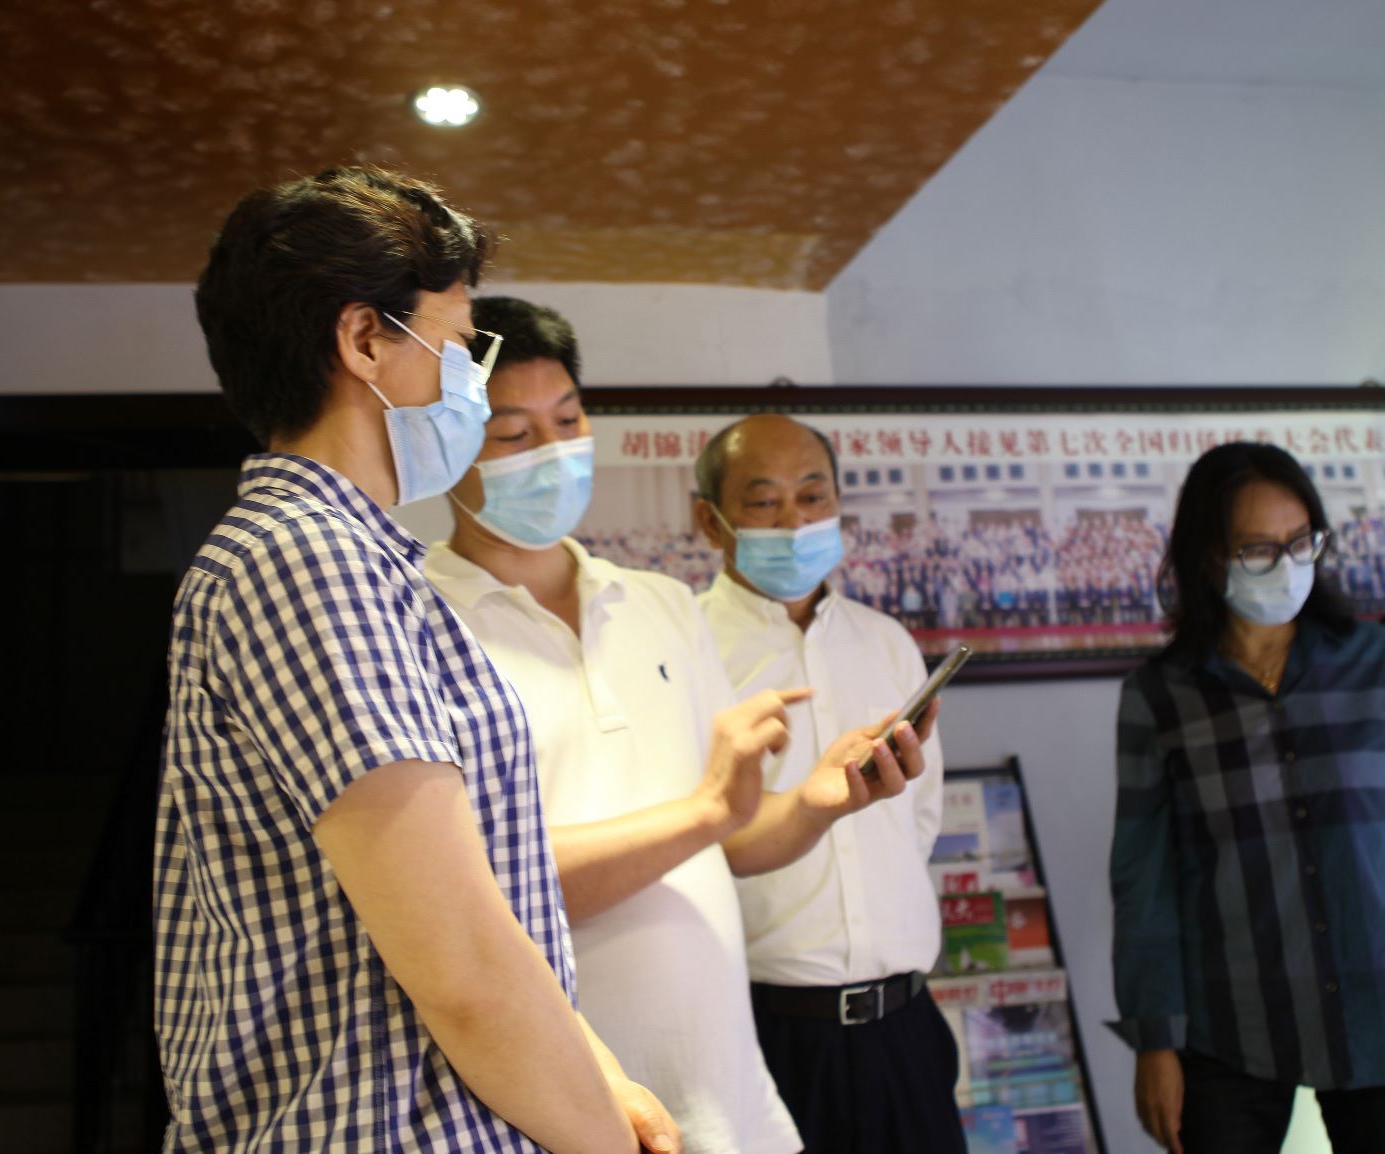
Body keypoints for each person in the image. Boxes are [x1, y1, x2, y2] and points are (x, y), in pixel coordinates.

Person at [155, 168, 678, 1154]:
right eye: (461, 343)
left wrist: (596, 1072)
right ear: (364, 340)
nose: (470, 380)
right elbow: (462, 966)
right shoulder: (310, 559)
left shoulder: (364, 560)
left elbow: (483, 903)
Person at [426, 300, 934, 1154]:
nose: (553, 453)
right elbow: (467, 894)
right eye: (513, 434)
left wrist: (815, 804)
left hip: (729, 1095)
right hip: (565, 1106)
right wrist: (708, 813)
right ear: (444, 443)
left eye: (568, 422)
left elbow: (729, 839)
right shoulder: (418, 622)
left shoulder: (660, 607)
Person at [693, 414, 964, 1154]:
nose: (795, 522)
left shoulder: (886, 642)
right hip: (766, 1033)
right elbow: (687, 840)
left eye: (813, 496)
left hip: (906, 1028)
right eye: (764, 501)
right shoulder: (684, 646)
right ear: (710, 521)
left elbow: (918, 821)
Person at [1110, 441, 1385, 1154]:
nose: (1287, 565)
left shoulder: (1373, 664)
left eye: (1301, 542)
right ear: (1209, 557)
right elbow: (1145, 882)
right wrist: (1154, 1040)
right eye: (1259, 549)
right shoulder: (1160, 696)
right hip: (1232, 1023)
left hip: (1376, 1002)